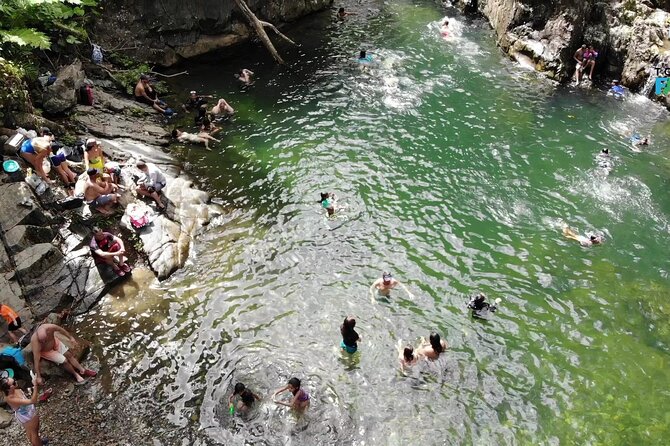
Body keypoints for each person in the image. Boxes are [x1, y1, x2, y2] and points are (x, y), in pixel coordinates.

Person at [30, 323, 96, 385]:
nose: (44, 342)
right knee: (64, 361)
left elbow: (61, 329)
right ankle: (76, 374)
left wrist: (70, 337)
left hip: (55, 342)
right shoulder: (35, 341)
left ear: (47, 332)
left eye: (44, 340)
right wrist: (38, 376)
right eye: (42, 341)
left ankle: (82, 370)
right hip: (46, 351)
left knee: (69, 355)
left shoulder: (50, 327)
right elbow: (36, 359)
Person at [1, 375, 46, 446]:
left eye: (14, 380)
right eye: (14, 383)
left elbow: (26, 396)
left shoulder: (14, 390)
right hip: (27, 416)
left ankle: (38, 442)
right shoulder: (11, 399)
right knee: (34, 432)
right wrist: (35, 385)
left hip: (26, 411)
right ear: (9, 389)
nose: (16, 382)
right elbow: (33, 400)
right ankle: (38, 443)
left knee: (30, 431)